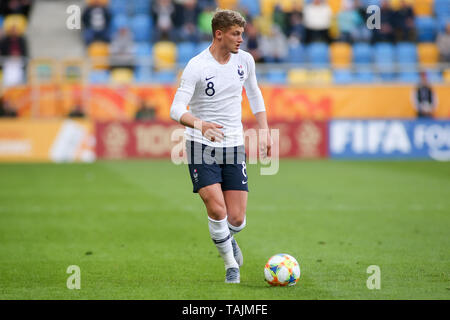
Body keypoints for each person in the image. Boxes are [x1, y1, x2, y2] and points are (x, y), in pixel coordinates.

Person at [169, 9, 271, 284]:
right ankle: (230, 266)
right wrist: (200, 124)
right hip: (201, 145)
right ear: (219, 34)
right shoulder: (197, 66)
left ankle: (226, 238)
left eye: (242, 33)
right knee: (216, 209)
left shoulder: (245, 61)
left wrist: (264, 132)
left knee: (236, 219)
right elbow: (176, 108)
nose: (241, 39)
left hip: (235, 145)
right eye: (236, 34)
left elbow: (254, 93)